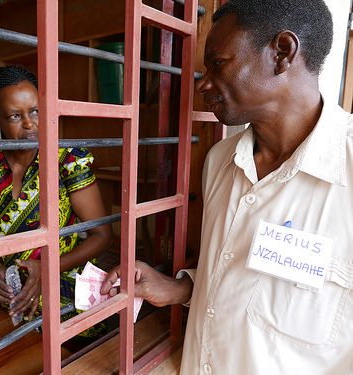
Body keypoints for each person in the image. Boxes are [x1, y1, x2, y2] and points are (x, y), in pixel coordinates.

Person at [101, 0, 353, 374]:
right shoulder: (220, 162)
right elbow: (238, 279)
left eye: (218, 64)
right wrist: (182, 288)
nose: (203, 84)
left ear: (282, 53)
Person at [0, 65, 112, 343]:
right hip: (11, 305)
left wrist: (48, 268)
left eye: (35, 111)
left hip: (67, 303)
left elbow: (102, 235)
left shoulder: (67, 161)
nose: (30, 123)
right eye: (15, 116)